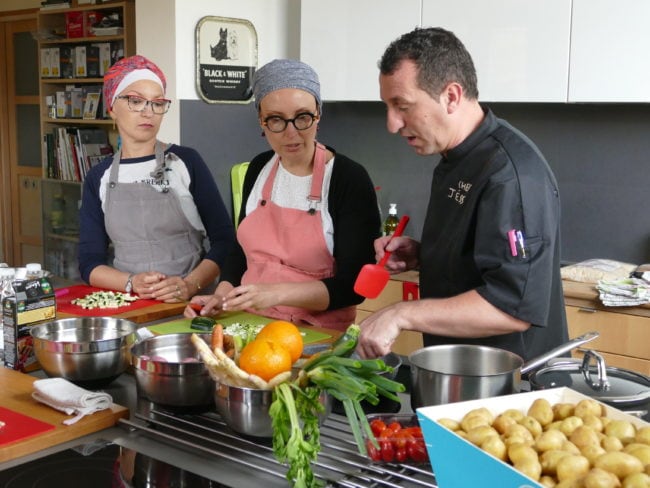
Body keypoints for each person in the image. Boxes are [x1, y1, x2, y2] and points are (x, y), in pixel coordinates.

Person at [357, 27, 569, 361]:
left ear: (452, 96)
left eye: (403, 106)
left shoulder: (509, 176)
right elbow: (484, 258)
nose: (392, 124)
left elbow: (512, 307)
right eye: (388, 106)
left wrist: (400, 314)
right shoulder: (455, 158)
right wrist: (426, 255)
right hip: (463, 372)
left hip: (514, 387)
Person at [185, 59, 381, 330]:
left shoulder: (348, 179)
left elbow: (354, 287)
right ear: (261, 121)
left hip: (318, 335)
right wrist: (222, 296)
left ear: (318, 115)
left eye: (302, 117)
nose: (291, 133)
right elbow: (240, 253)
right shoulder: (259, 168)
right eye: (276, 119)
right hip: (249, 323)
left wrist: (275, 293)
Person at [78, 55, 235, 302]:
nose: (148, 112)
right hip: (128, 304)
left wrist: (190, 284)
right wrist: (131, 283)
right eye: (135, 101)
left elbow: (225, 241)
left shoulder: (185, 162)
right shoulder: (99, 177)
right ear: (111, 108)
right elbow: (89, 262)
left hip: (191, 304)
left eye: (157, 103)